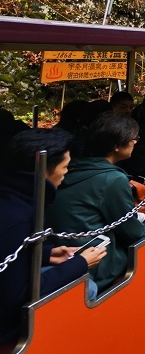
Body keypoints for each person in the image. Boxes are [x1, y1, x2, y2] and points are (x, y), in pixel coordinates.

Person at [1, 129, 106, 348]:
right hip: (6, 324)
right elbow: (18, 295)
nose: (66, 173)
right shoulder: (19, 216)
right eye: (64, 167)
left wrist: (46, 255)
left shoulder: (12, 197)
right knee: (90, 287)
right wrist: (81, 263)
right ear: (44, 170)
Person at [45, 113, 145, 294]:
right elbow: (133, 233)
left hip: (61, 252)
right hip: (97, 262)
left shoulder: (72, 167)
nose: (135, 142)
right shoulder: (112, 179)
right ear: (116, 146)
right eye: (133, 138)